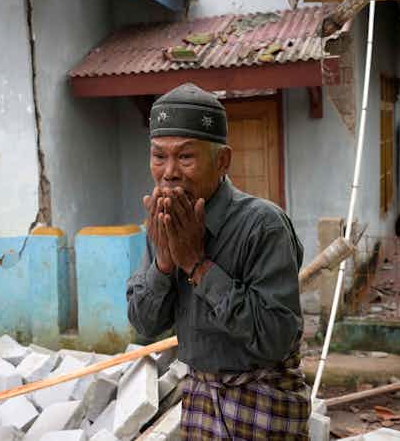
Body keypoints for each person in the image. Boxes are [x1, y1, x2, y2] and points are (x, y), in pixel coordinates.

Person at [126, 83, 310, 440]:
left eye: (185, 157)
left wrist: (197, 265)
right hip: (200, 401)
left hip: (264, 404)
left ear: (222, 160)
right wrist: (164, 262)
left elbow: (274, 338)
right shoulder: (164, 223)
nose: (169, 172)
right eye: (158, 156)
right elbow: (143, 325)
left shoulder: (263, 225)